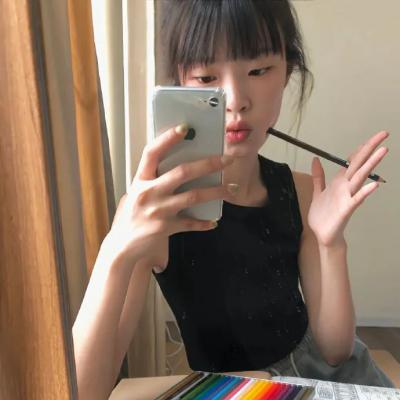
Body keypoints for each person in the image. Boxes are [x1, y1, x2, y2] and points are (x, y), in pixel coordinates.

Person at [72, 1, 393, 398]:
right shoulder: (153, 215)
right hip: (233, 389)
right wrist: (116, 250)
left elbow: (335, 352)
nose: (236, 99)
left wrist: (331, 243)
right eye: (206, 77)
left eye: (259, 70)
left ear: (288, 71)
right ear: (178, 84)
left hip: (322, 381)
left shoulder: (301, 190)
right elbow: (81, 391)